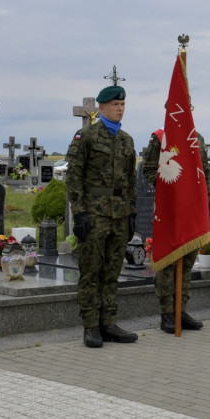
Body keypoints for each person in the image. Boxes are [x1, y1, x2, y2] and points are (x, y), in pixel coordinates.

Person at [65, 84, 140, 348]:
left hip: (119, 215)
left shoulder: (127, 140)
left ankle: (108, 322)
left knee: (112, 271)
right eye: (115, 105)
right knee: (91, 272)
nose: (120, 109)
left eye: (122, 105)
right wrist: (80, 214)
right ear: (102, 107)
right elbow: (73, 177)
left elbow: (131, 180)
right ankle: (90, 326)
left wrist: (132, 214)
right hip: (94, 215)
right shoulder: (85, 137)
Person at [142, 129, 209, 333]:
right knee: (168, 262)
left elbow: (203, 172)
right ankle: (167, 313)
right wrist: (171, 189)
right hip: (170, 207)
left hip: (192, 207)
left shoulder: (197, 138)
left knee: (187, 263)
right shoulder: (160, 137)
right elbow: (149, 170)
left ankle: (181, 309)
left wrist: (207, 200)